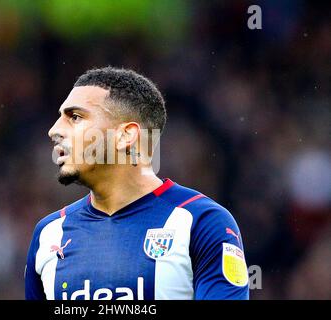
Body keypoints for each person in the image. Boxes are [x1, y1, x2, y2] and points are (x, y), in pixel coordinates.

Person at [25, 67, 249, 300]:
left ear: (125, 136)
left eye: (75, 117)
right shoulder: (48, 233)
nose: (54, 130)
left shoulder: (201, 223)